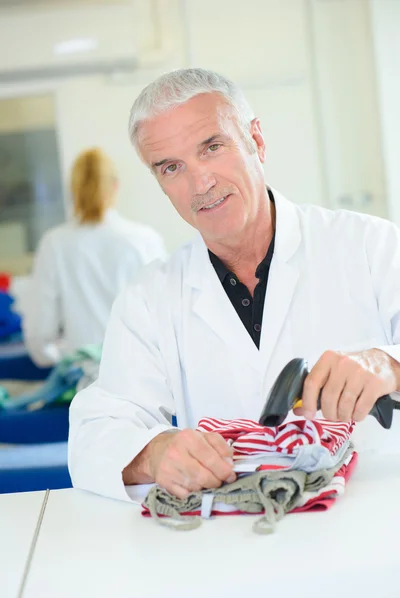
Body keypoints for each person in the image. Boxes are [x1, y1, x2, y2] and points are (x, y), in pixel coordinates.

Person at [68, 69, 400, 503]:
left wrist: (389, 365)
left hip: (376, 523)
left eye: (212, 147)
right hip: (232, 546)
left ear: (256, 141)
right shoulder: (150, 296)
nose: (200, 183)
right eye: (171, 167)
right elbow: (97, 430)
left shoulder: (371, 246)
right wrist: (152, 453)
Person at [24, 147, 166, 366]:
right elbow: (166, 320)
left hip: (84, 381)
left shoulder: (54, 244)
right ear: (116, 186)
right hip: (143, 373)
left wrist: (67, 362)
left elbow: (39, 334)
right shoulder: (145, 239)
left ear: (73, 190)